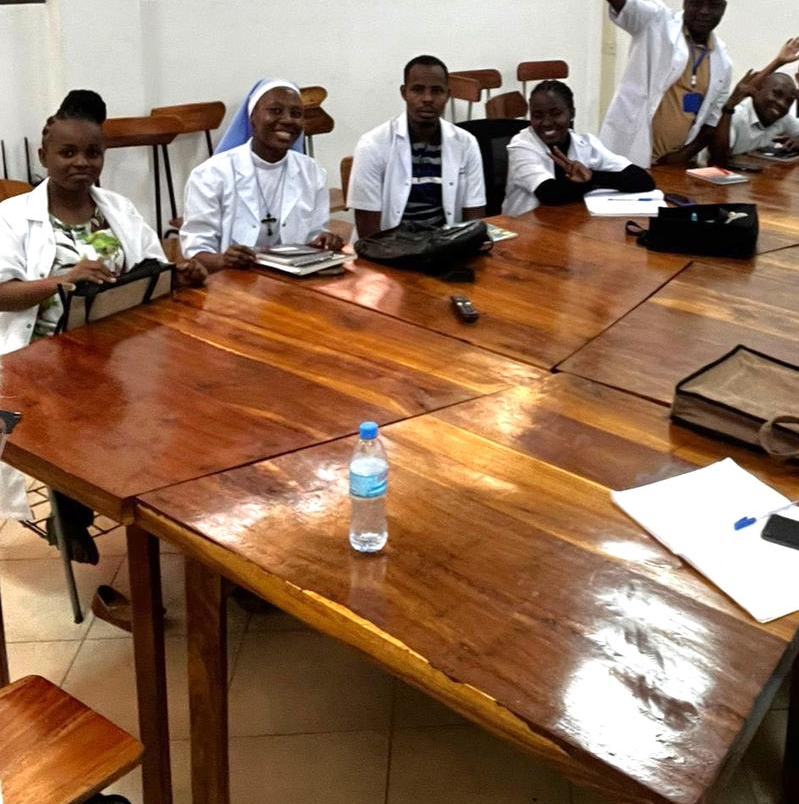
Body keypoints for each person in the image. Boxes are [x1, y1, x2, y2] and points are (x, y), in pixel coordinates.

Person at [0, 90, 207, 562]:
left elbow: (150, 270)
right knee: (85, 415)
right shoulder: (12, 218)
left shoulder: (118, 209)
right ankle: (72, 509)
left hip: (119, 350)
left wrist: (182, 274)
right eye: (67, 152)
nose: (81, 162)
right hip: (38, 358)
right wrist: (61, 281)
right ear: (43, 155)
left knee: (180, 406)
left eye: (92, 153)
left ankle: (158, 506)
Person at [592, 0, 733, 168]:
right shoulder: (656, 22)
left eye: (713, 5)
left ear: (723, 8)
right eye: (697, 3)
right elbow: (622, 0)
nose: (704, 11)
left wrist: (683, 156)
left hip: (674, 164)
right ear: (685, 2)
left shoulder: (723, 62)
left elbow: (711, 121)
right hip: (630, 150)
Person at [179, 79, 343, 271]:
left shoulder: (312, 173)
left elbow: (314, 235)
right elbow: (195, 251)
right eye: (275, 110)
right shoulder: (210, 175)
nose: (288, 120)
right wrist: (223, 260)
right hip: (231, 282)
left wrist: (323, 241)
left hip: (294, 283)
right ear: (252, 118)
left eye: (296, 114)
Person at [347, 55, 487, 237]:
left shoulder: (466, 143)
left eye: (437, 91)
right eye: (418, 90)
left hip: (445, 249)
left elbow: (473, 221)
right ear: (404, 92)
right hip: (387, 252)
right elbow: (369, 235)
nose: (427, 98)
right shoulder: (372, 145)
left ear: (448, 95)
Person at [503, 80, 655, 216]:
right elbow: (550, 194)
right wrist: (590, 183)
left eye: (556, 114)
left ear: (572, 113)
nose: (547, 122)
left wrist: (593, 177)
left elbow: (643, 180)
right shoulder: (522, 146)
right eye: (537, 115)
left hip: (568, 223)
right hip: (524, 231)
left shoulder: (586, 143)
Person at [710, 70, 799, 164]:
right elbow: (718, 159)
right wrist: (729, 107)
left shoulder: (782, 117)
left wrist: (798, 142)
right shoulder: (737, 115)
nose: (782, 104)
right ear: (758, 90)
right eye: (777, 94)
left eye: (789, 101)